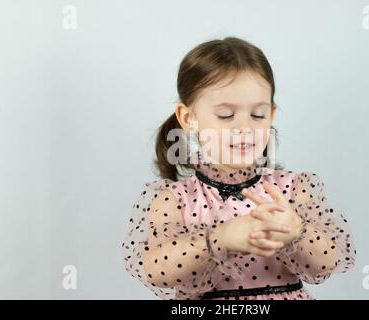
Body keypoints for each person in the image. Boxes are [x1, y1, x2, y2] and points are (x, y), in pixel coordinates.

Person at [121, 37, 356, 300]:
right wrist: (219, 240)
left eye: (257, 115)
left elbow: (328, 263)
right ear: (189, 118)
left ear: (272, 114)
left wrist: (297, 232)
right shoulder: (174, 199)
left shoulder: (291, 190)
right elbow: (157, 271)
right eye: (225, 115)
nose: (244, 128)